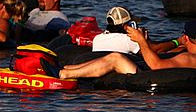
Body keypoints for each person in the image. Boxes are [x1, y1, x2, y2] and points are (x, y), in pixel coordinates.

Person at [60, 21, 196, 80]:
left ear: (187, 37)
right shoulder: (187, 54)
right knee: (114, 57)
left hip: (147, 77)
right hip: (149, 73)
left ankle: (64, 74)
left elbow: (157, 66)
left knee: (116, 58)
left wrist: (141, 41)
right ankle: (66, 69)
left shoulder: (190, 58)